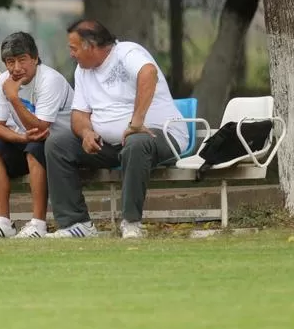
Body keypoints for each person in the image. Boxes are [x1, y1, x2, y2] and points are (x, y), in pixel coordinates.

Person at [44, 19, 188, 239]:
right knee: (57, 144)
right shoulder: (83, 71)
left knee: (137, 142)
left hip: (161, 134)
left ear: (90, 46)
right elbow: (79, 115)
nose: (71, 54)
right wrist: (86, 133)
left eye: (73, 48)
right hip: (112, 144)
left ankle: (131, 223)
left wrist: (136, 122)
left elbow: (148, 73)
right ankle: (77, 224)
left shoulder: (127, 52)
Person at [0, 32, 74, 239]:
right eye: (10, 62)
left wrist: (14, 98)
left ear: (35, 59)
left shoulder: (49, 80)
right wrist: (21, 138)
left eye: (22, 60)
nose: (16, 68)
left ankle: (38, 223)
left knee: (35, 148)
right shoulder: (3, 80)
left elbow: (41, 128)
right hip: (30, 140)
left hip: (62, 144)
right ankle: (3, 222)